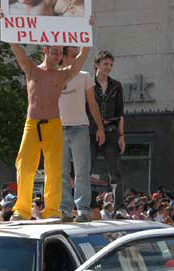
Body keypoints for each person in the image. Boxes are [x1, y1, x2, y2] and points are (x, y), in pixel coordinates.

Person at [0, 9, 93, 220]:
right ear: (45, 50)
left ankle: (52, 210)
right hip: (32, 124)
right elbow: (18, 51)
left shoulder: (63, 74)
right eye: (54, 51)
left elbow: (80, 59)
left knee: (54, 169)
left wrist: (88, 31)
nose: (58, 55)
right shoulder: (32, 69)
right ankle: (22, 210)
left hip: (53, 124)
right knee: (24, 165)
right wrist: (6, 24)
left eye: (60, 52)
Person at [58, 46, 105, 222]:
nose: (77, 57)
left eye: (78, 54)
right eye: (73, 54)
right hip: (58, 128)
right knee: (62, 171)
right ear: (64, 56)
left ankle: (84, 210)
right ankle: (65, 210)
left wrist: (100, 127)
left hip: (80, 128)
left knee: (82, 171)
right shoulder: (56, 74)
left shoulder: (85, 76)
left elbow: (92, 103)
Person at [91, 51, 125, 211]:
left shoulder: (116, 86)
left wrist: (122, 136)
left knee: (115, 171)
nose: (109, 67)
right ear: (97, 64)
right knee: (86, 168)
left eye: (111, 65)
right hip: (91, 130)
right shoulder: (88, 83)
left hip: (111, 130)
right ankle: (87, 206)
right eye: (105, 64)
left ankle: (119, 208)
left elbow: (120, 113)